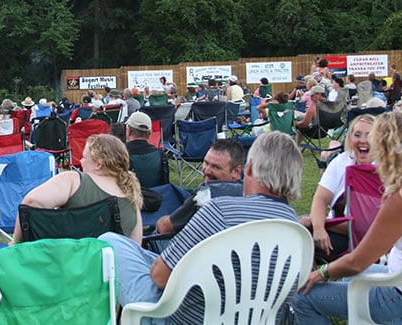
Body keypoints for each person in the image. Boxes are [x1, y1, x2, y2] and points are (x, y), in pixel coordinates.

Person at [100, 131, 302, 321]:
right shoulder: (296, 230)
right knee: (141, 255)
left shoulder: (218, 210)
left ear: (248, 169)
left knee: (110, 242)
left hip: (180, 318)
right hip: (250, 318)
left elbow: (160, 277)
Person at [291, 111, 402, 323]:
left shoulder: (397, 198)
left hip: (394, 298)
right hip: (394, 274)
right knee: (353, 275)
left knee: (302, 297)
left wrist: (322, 272)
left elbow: (358, 261)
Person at [13, 133, 143, 243]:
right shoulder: (132, 197)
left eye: (84, 157)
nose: (80, 161)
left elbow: (32, 202)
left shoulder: (74, 181)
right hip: (108, 271)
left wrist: (16, 242)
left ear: (98, 164)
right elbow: (135, 247)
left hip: (63, 267)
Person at [300, 114, 376, 263]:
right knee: (298, 231)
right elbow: (321, 198)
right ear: (349, 138)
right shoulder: (342, 161)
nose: (363, 140)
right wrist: (319, 228)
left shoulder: (385, 168)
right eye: (357, 134)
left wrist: (319, 223)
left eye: (370, 135)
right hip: (336, 234)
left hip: (369, 242)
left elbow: (364, 226)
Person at [155, 139, 245, 234]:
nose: (207, 171)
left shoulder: (205, 194)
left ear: (236, 171)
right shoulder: (249, 194)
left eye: (216, 167)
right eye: (206, 163)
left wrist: (160, 221)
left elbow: (164, 228)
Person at [123, 111, 168, 189]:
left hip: (129, 199)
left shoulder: (119, 154)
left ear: (129, 131)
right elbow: (165, 185)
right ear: (150, 133)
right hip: (155, 198)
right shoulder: (160, 154)